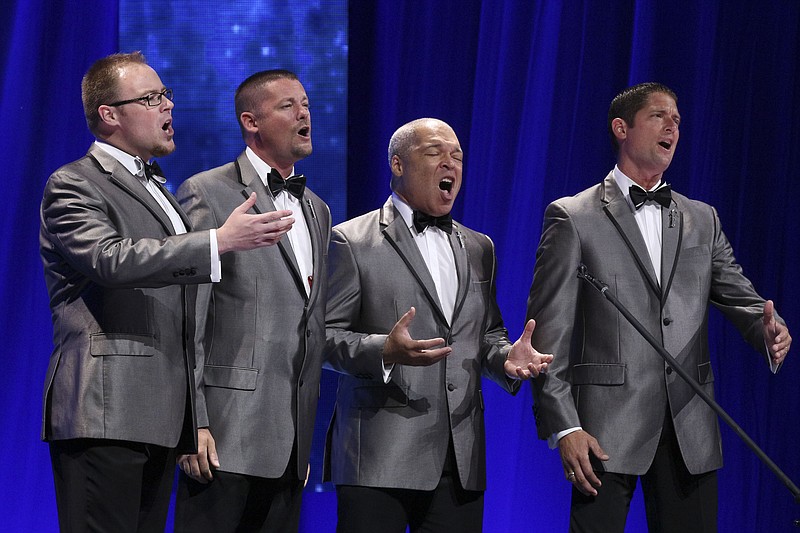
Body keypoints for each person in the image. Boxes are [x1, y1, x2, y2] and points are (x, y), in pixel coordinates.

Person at [39, 52, 293, 532]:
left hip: (159, 416)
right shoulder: (73, 183)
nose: (167, 108)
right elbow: (109, 259)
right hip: (106, 410)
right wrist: (219, 240)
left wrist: (195, 419)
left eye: (166, 96)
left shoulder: (160, 190)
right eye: (151, 98)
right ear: (109, 114)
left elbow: (188, 316)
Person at [525, 82, 792, 532]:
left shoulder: (701, 218)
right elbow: (545, 335)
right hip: (605, 432)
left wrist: (769, 329)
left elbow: (744, 299)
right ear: (621, 128)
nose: (673, 126)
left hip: (690, 425)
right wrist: (564, 427)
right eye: (659, 116)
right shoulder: (573, 216)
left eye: (678, 120)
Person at [324, 117, 553, 533]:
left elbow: (486, 334)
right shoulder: (351, 240)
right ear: (397, 164)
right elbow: (323, 336)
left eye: (458, 156)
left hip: (459, 458)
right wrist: (383, 351)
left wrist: (505, 358)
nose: (450, 163)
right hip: (378, 458)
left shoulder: (480, 246)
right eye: (435, 153)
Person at [172, 69, 331, 533]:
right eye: (287, 106)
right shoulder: (208, 191)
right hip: (224, 437)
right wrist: (192, 423)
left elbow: (310, 324)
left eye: (305, 103)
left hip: (289, 446)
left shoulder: (317, 209)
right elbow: (190, 314)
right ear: (251, 122)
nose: (304, 113)